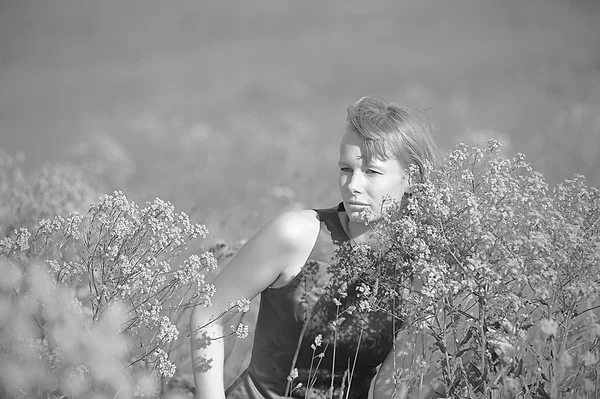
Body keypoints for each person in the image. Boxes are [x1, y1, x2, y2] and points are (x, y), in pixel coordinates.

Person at [190, 96, 441, 399]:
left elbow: (393, 386)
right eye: (346, 169)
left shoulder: (422, 264)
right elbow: (208, 313)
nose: (353, 185)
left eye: (371, 172)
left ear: (411, 177)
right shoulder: (296, 234)